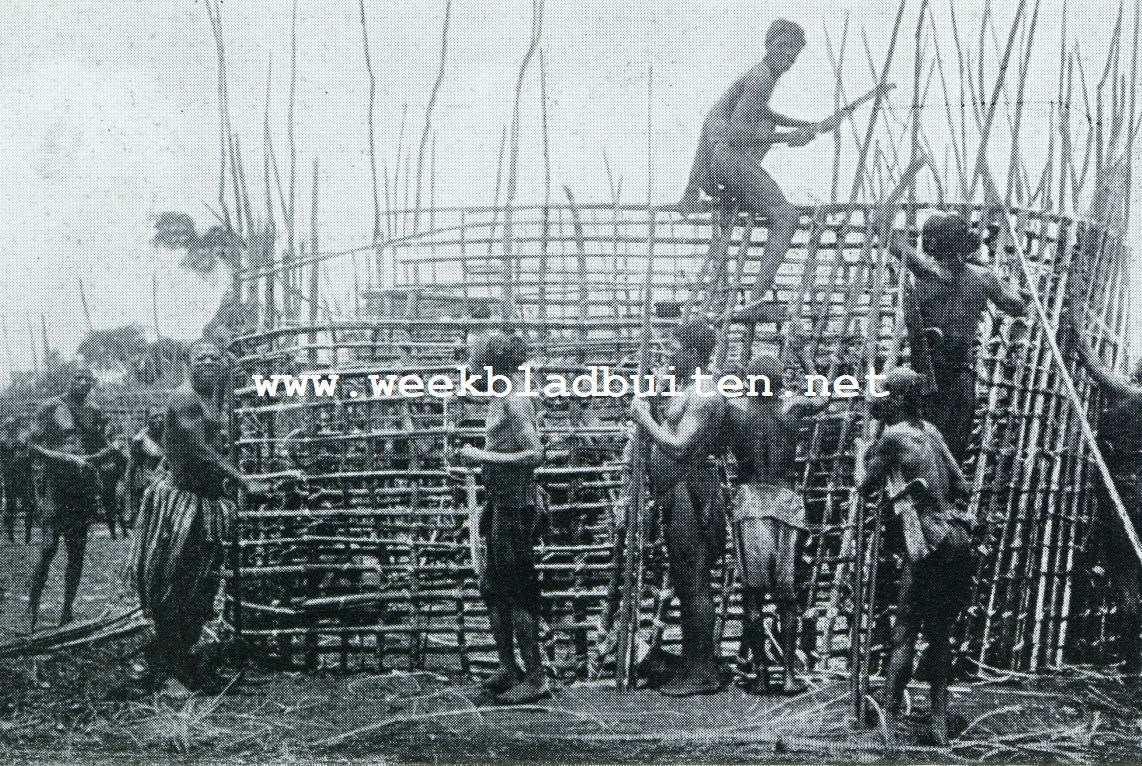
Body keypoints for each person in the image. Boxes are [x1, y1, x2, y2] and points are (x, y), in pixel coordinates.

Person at [677, 19, 847, 309]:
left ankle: (749, 297)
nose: (788, 62)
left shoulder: (758, 75)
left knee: (767, 125)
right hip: (728, 158)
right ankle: (755, 299)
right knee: (786, 217)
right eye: (786, 53)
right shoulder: (762, 78)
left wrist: (810, 126)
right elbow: (739, 132)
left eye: (793, 57)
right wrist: (787, 137)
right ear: (773, 46)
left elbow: (761, 113)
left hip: (720, 160)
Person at [133, 340, 265, 692]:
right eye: (200, 357)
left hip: (205, 505)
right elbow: (198, 448)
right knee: (178, 584)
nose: (208, 362)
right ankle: (165, 662)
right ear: (189, 363)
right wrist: (241, 479)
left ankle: (173, 661)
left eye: (214, 357)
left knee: (199, 587)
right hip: (183, 507)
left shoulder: (214, 400)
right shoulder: (184, 398)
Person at [857, 368, 974, 746]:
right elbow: (961, 484)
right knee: (939, 634)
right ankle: (937, 724)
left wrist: (865, 451)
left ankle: (889, 725)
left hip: (927, 542)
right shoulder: (931, 431)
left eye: (887, 395)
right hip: (956, 538)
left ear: (900, 399)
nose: (881, 401)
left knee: (905, 631)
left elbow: (864, 486)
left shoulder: (892, 438)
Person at [880, 204, 1027, 461]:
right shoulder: (983, 278)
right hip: (961, 376)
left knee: (920, 450)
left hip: (926, 376)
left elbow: (885, 233)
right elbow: (1017, 306)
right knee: (950, 454)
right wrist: (977, 268)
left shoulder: (927, 271)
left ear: (933, 244)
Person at [630, 320, 727, 696]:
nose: (668, 355)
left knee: (695, 580)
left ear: (693, 353)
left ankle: (702, 670)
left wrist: (645, 419)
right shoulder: (683, 388)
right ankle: (693, 662)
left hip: (692, 491)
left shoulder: (704, 394)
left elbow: (681, 446)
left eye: (674, 349)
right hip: (675, 491)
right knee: (687, 581)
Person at [724, 346, 827, 694]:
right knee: (787, 597)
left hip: (750, 501)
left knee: (752, 596)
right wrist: (809, 362)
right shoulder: (791, 407)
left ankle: (763, 675)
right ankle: (788, 675)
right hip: (785, 501)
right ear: (779, 380)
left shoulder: (735, 410)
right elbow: (823, 396)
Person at [456, 332, 549, 704]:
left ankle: (536, 675)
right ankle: (510, 669)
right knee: (493, 589)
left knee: (517, 592)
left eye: (477, 361)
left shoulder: (515, 401)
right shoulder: (499, 398)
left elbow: (535, 455)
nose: (472, 367)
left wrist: (483, 458)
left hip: (516, 506)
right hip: (499, 503)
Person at [1065, 296, 1142, 673]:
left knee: (1127, 575)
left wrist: (1075, 322)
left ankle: (1132, 658)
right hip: (1132, 489)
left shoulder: (1129, 395)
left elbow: (1090, 362)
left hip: (1125, 495)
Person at [19, 367, 118, 633]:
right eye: (79, 378)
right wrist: (63, 457)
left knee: (77, 552)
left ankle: (67, 611)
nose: (84, 383)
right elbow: (30, 444)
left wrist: (102, 453)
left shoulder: (95, 411)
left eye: (89, 379)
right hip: (56, 486)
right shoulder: (51, 407)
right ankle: (31, 612)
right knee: (48, 548)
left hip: (82, 488)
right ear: (69, 380)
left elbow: (108, 442)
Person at [125, 408, 165, 530]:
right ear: (147, 420)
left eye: (161, 416)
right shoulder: (140, 440)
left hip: (168, 481)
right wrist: (129, 506)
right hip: (149, 483)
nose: (159, 419)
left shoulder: (170, 436)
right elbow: (131, 470)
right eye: (154, 416)